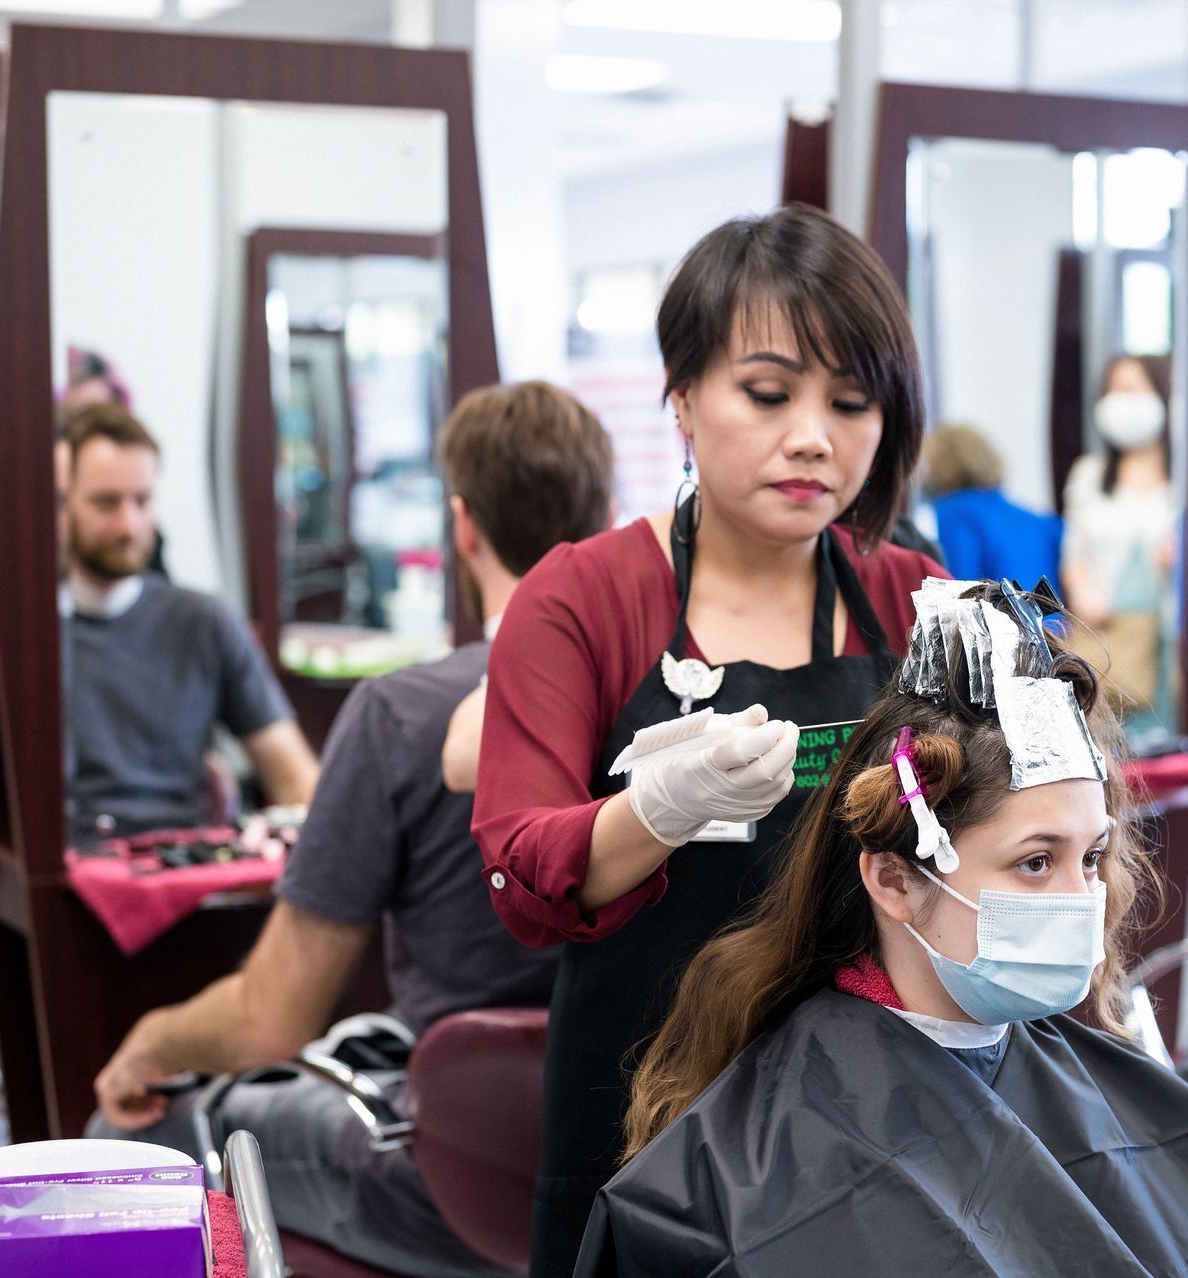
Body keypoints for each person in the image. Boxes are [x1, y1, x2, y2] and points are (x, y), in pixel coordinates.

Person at [578, 581, 1188, 1277]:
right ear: (896, 880)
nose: (1083, 900)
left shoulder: (1087, 1071)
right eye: (1036, 863)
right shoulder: (764, 1156)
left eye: (1094, 855)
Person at [472, 204, 946, 1277]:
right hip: (645, 1114)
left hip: (867, 1117)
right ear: (682, 397)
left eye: (853, 402)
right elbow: (521, 872)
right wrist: (659, 811)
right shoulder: (583, 599)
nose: (815, 437)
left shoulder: (913, 598)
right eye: (769, 394)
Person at [90, 381, 615, 1276]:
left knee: (129, 1128)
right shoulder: (681, 705)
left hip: (452, 1186)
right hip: (634, 1167)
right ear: (607, 519)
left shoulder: (403, 717)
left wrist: (145, 1046)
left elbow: (270, 1021)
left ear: (463, 526)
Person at [60, 403, 316, 839]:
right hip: (70, 866)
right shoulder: (30, 638)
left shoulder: (204, 623)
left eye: (142, 500)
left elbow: (296, 780)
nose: (129, 524)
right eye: (106, 503)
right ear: (62, 505)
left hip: (182, 864)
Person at [1060, 355, 1179, 722]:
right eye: (1112, 391)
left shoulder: (1184, 481)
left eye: (1131, 389)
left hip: (1165, 646)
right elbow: (1073, 553)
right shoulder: (1089, 475)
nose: (1120, 402)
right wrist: (1082, 594)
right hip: (1105, 638)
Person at [921, 423, 1060, 583]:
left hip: (991, 607)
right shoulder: (1042, 521)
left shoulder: (953, 512)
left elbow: (961, 586)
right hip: (1044, 608)